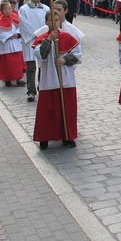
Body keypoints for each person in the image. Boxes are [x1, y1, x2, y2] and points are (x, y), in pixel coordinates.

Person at [32, 10, 82, 149]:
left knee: (67, 110)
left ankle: (67, 136)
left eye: (56, 20)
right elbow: (41, 54)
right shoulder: (41, 39)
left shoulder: (68, 37)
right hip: (49, 80)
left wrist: (65, 60)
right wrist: (49, 40)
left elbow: (78, 55)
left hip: (66, 80)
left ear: (60, 21)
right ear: (46, 22)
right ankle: (44, 137)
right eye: (50, 21)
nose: (53, 23)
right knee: (47, 111)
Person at [18, 0, 50, 102]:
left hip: (43, 40)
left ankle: (42, 87)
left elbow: (48, 23)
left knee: (43, 65)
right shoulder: (24, 9)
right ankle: (31, 91)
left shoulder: (46, 8)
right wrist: (36, 34)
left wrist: (43, 34)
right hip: (30, 41)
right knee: (31, 67)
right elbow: (23, 25)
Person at [0, 1, 27, 88]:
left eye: (10, 8)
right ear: (2, 11)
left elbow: (20, 27)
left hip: (16, 44)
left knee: (17, 63)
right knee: (8, 64)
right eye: (6, 9)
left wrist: (18, 34)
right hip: (6, 46)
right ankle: (8, 79)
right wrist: (9, 35)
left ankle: (18, 78)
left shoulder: (14, 18)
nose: (9, 10)